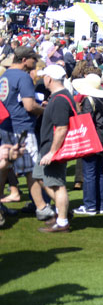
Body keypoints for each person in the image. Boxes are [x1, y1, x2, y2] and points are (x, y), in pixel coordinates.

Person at [0, 46, 49, 219]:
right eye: (33, 59)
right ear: (24, 60)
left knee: (5, 168)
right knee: (33, 170)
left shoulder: (5, 75)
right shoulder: (23, 76)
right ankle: (42, 207)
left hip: (6, 125)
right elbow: (29, 106)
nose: (35, 63)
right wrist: (46, 111)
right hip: (21, 128)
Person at [35, 65, 76, 233]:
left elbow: (61, 128)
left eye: (44, 76)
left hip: (53, 149)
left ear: (49, 79)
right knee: (39, 177)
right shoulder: (59, 96)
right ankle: (63, 210)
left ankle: (62, 221)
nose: (42, 79)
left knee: (57, 185)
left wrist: (52, 152)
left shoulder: (60, 99)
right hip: (48, 146)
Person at [71, 72, 103, 215]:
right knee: (99, 173)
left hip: (93, 138)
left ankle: (90, 205)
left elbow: (86, 120)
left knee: (89, 173)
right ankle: (99, 205)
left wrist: (78, 110)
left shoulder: (90, 101)